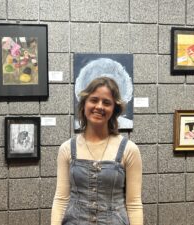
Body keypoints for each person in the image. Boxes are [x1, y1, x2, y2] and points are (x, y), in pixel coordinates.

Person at [51, 77, 143, 225]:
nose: (99, 106)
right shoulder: (67, 148)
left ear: (114, 109)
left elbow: (134, 204)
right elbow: (61, 199)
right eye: (94, 100)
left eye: (106, 103)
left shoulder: (129, 149)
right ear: (84, 104)